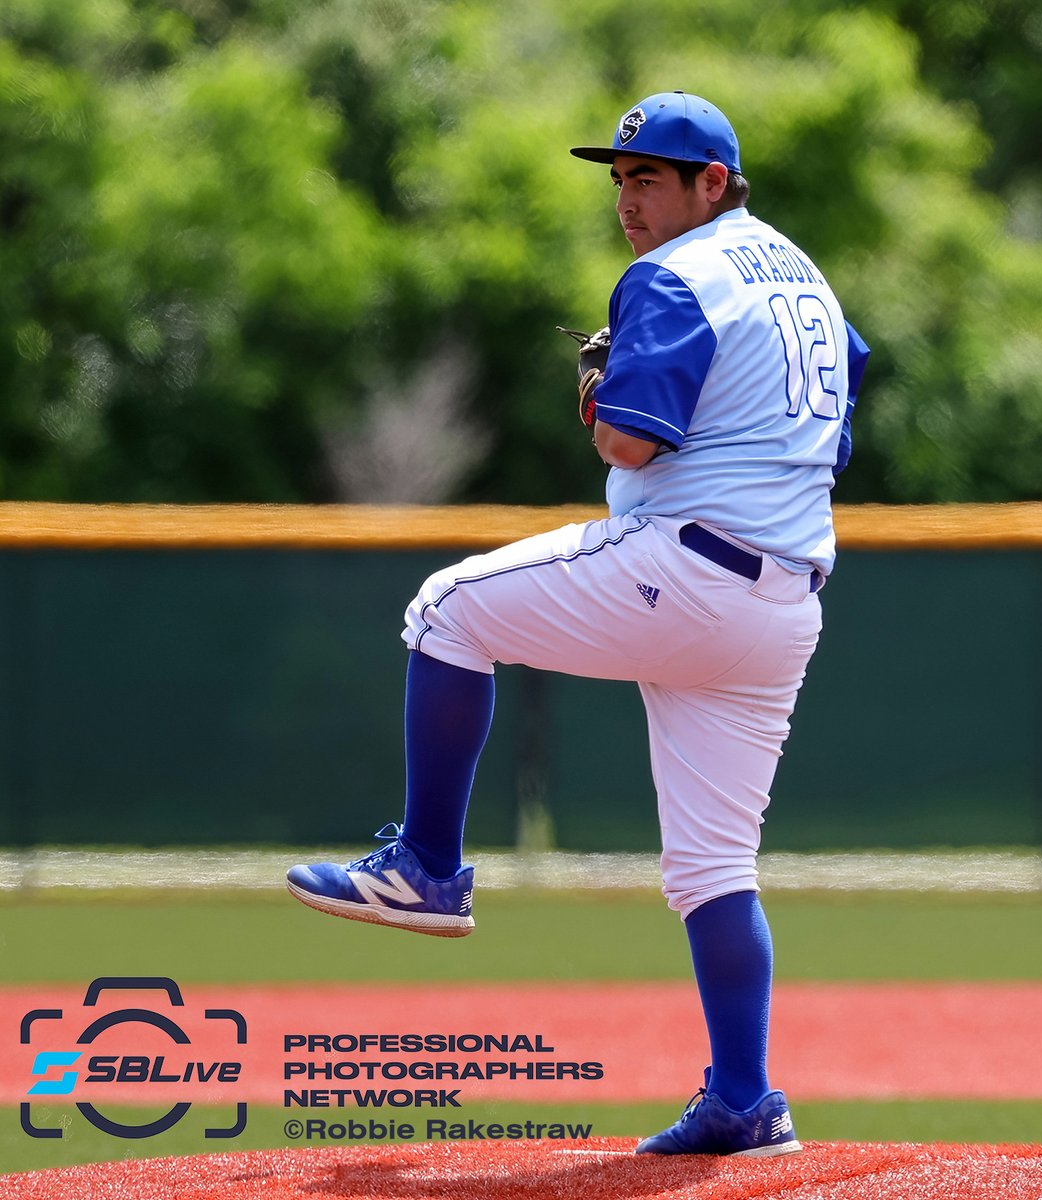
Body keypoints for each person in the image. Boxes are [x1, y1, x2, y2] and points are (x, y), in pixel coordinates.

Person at [287, 90, 869, 1157]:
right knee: (711, 870)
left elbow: (630, 449)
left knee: (446, 610)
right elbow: (836, 410)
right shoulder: (806, 276)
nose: (629, 199)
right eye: (620, 178)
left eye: (651, 177)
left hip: (686, 569)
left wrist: (603, 386)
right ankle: (746, 1103)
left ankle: (426, 867)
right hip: (783, 603)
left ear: (713, 183)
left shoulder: (674, 275)